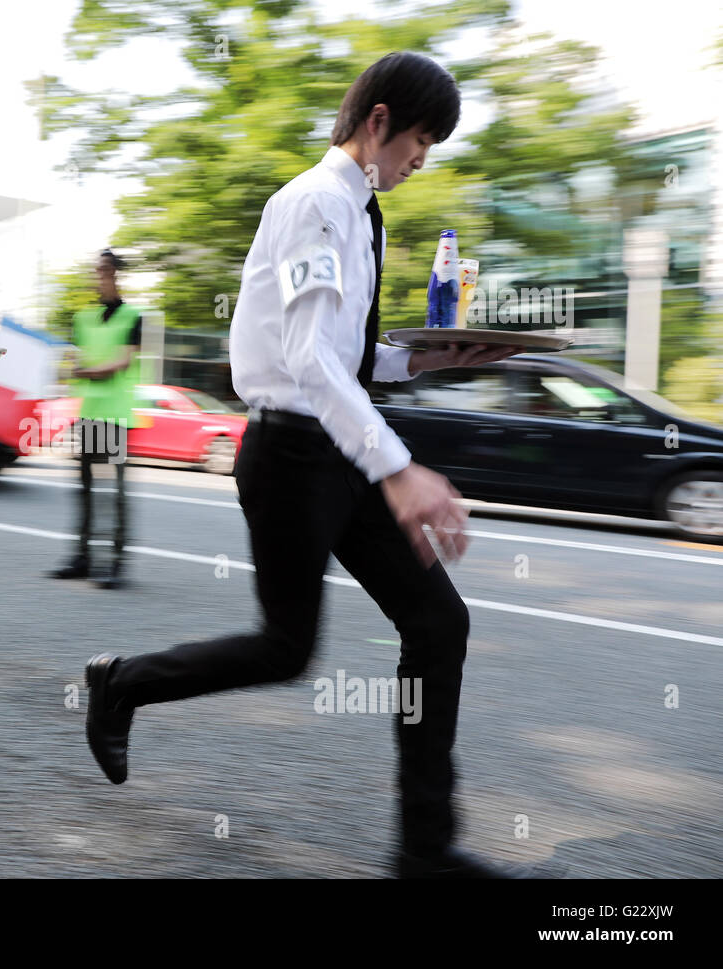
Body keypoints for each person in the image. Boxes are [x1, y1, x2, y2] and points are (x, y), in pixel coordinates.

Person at [83, 52, 543, 878]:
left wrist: (436, 361)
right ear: (378, 122)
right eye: (421, 140)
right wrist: (401, 468)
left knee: (439, 623)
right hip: (293, 455)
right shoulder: (315, 204)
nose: (422, 159)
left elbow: (346, 358)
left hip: (336, 447)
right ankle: (121, 683)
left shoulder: (361, 214)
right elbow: (306, 360)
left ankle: (425, 853)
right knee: (286, 649)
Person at [47, 249, 142, 589]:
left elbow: (122, 361)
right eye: (96, 269)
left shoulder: (133, 316)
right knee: (85, 490)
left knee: (114, 491)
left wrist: (85, 370)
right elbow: (75, 359)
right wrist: (70, 368)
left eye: (104, 269)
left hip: (115, 415)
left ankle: (116, 563)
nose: (98, 274)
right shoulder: (83, 318)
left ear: (116, 273)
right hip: (88, 412)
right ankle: (83, 558)